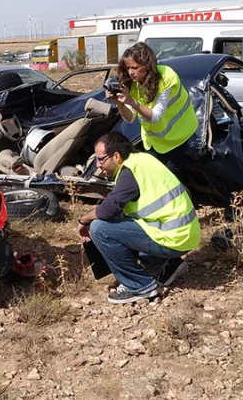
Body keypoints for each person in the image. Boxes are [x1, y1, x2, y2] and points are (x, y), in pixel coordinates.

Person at [77, 132, 200, 304]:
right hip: (184, 235)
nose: (98, 165)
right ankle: (168, 265)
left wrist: (83, 220)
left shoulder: (130, 172)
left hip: (172, 237)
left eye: (101, 159)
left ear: (116, 156)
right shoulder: (143, 160)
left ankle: (140, 286)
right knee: (120, 224)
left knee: (100, 228)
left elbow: (107, 210)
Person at [106, 42, 198, 179]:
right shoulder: (132, 82)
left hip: (178, 135)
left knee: (172, 178)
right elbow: (130, 118)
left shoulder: (166, 77)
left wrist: (132, 102)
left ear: (147, 65)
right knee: (152, 176)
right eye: (128, 68)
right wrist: (119, 104)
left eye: (135, 67)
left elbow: (155, 116)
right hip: (153, 140)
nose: (131, 72)